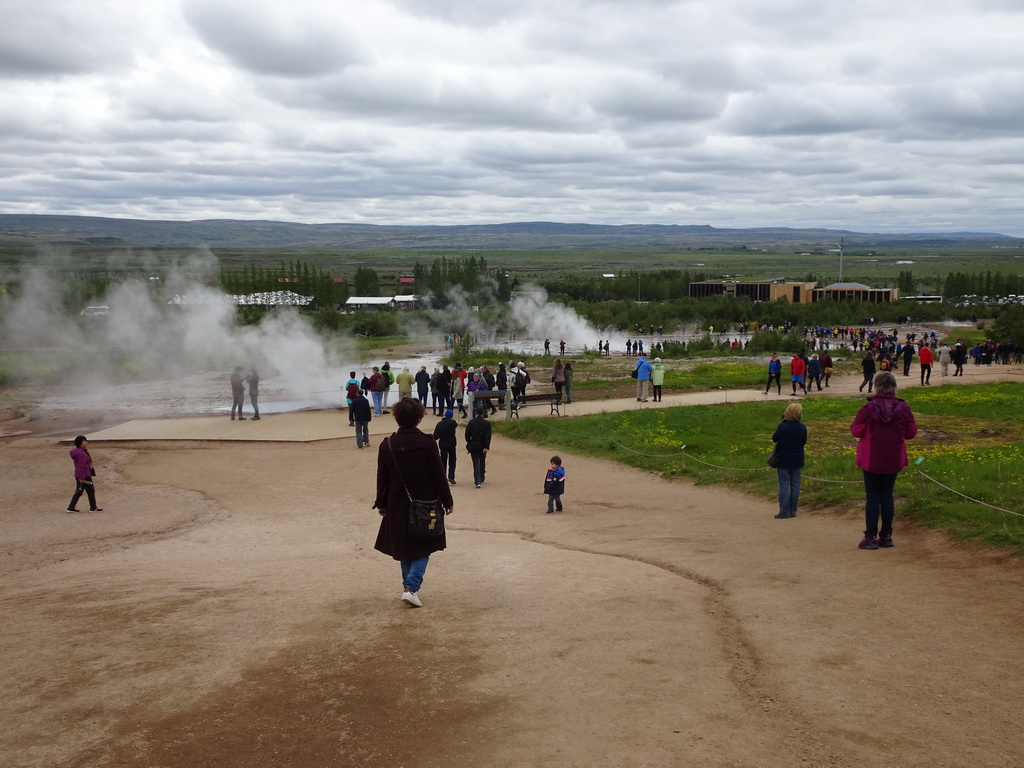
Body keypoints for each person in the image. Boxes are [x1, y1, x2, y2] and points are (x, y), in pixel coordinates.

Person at [374, 398, 454, 608]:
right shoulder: (427, 443)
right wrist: (447, 501)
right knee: (423, 546)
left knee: (405, 548)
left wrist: (381, 504)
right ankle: (411, 588)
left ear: (397, 417)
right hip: (425, 502)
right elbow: (438, 476)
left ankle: (408, 588)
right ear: (419, 418)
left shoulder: (387, 445)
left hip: (396, 504)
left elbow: (382, 478)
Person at [851, 371, 918, 550]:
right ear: (894, 386)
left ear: (876, 386)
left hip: (871, 456)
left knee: (873, 496)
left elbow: (856, 430)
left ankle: (870, 537)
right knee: (887, 495)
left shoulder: (869, 407)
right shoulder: (903, 407)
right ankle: (886, 536)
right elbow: (911, 433)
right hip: (893, 455)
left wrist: (868, 428)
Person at [771, 403, 807, 519]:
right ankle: (793, 510)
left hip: (784, 458)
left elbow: (774, 438)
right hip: (797, 458)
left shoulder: (783, 426)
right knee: (795, 484)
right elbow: (803, 442)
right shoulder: (802, 427)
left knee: (783, 484)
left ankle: (784, 511)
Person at [67, 435, 102, 513]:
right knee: (90, 491)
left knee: (79, 491)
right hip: (84, 475)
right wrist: (82, 477)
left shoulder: (79, 452)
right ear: (81, 443)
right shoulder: (82, 454)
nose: (86, 442)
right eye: (85, 441)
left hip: (80, 475)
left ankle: (71, 507)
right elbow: (81, 466)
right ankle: (93, 508)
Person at [464, 407, 492, 488]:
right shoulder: (487, 423)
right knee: (482, 461)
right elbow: (488, 436)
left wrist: (469, 442)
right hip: (482, 445)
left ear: (476, 413)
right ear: (483, 413)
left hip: (473, 445)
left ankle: (477, 481)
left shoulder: (471, 422)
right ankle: (482, 476)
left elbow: (467, 434)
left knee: (476, 463)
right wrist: (486, 446)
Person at [432, 408, 458, 484]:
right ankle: (451, 476)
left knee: (443, 461)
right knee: (452, 460)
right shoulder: (453, 423)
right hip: (452, 444)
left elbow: (436, 436)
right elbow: (455, 425)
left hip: (443, 445)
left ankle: (443, 477)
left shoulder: (440, 424)